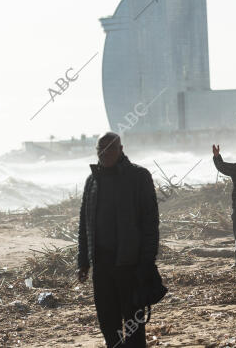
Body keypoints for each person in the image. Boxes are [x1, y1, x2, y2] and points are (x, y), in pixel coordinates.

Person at [77, 132, 159, 348]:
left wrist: (146, 262)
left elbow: (150, 223)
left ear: (121, 149)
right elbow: (84, 223)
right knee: (107, 321)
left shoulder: (139, 176)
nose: (104, 153)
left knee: (133, 325)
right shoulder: (92, 180)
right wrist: (83, 261)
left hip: (130, 265)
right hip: (102, 265)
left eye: (110, 148)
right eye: (100, 149)